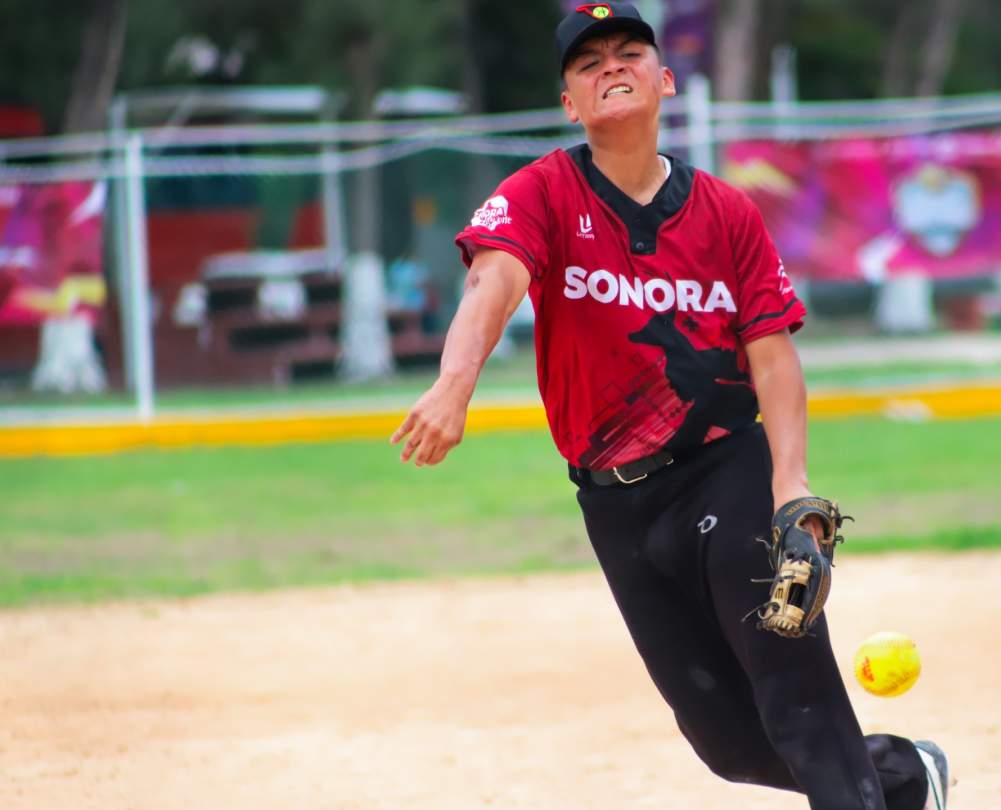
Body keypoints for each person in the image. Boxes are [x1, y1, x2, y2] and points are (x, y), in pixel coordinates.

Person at [390, 5, 951, 808]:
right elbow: (494, 279)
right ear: (569, 105)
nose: (610, 66)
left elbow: (772, 354)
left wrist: (790, 482)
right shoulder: (544, 193)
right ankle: (903, 779)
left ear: (665, 79)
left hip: (727, 472)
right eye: (587, 64)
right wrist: (454, 383)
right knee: (728, 743)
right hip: (614, 503)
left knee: (799, 702)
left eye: (628, 52)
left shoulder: (726, 213)